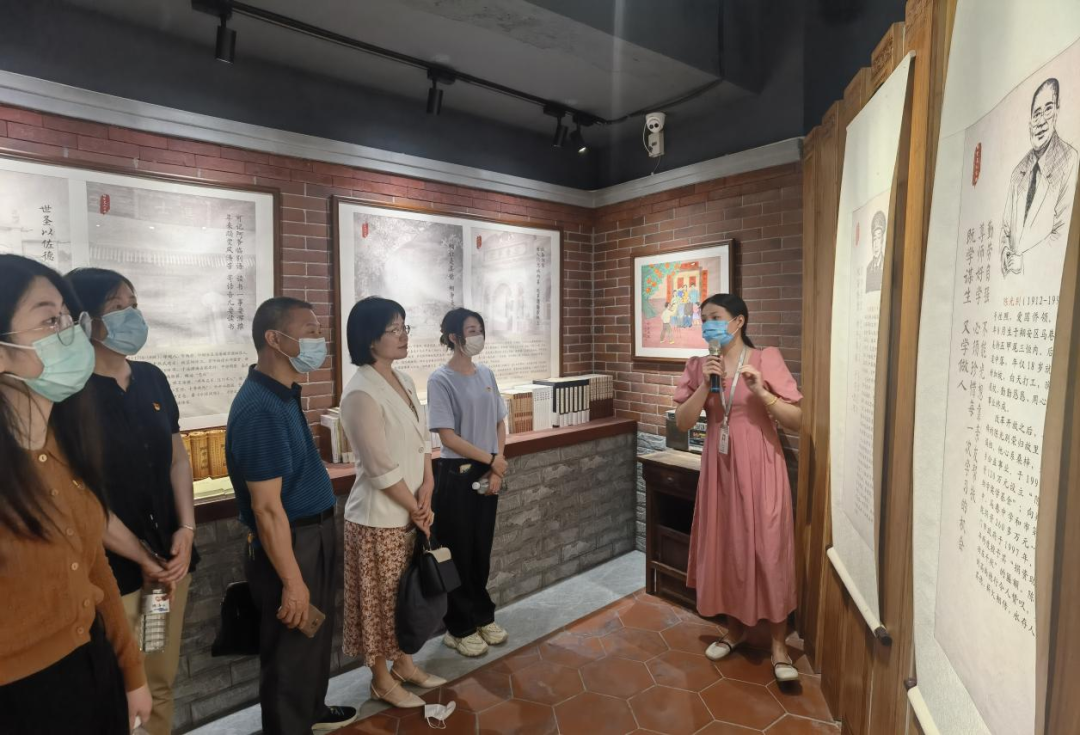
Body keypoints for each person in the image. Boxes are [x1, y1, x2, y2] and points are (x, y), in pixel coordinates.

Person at [0, 254, 151, 734]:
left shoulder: (61, 444)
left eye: (69, 317)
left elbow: (93, 567)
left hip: (92, 666)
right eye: (50, 320)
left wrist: (131, 671)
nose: (71, 333)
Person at [66, 267, 197, 735]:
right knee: (117, 689)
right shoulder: (69, 395)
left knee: (157, 678)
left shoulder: (152, 378)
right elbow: (81, 498)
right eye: (117, 306)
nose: (132, 316)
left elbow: (177, 460)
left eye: (134, 305)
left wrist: (186, 530)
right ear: (85, 320)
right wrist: (142, 558)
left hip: (164, 573)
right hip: (112, 574)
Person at [225, 296, 356, 735]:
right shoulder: (260, 408)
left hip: (313, 534)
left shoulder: (282, 395)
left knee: (310, 639)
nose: (320, 340)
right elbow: (266, 508)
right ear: (274, 339)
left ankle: (311, 710)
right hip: (291, 543)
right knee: (289, 648)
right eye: (310, 331)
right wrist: (293, 581)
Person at [673, 293, 803, 683]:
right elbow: (683, 422)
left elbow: (797, 419)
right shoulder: (698, 366)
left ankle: (779, 645)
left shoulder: (765, 359)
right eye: (703, 319)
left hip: (761, 467)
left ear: (739, 321)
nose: (708, 325)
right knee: (726, 545)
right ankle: (734, 630)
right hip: (720, 469)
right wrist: (705, 386)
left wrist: (763, 392)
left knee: (769, 548)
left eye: (715, 317)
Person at [339, 297, 445, 708]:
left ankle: (404, 664)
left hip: (411, 510)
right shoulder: (360, 392)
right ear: (370, 340)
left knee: (404, 597)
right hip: (378, 518)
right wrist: (416, 506)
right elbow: (378, 466)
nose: (403, 336)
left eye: (404, 327)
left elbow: (422, 440)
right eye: (394, 329)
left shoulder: (401, 379)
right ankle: (380, 679)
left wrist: (428, 484)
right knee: (380, 603)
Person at [427, 308, 510, 658]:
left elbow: (500, 422)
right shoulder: (440, 379)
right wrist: (491, 460)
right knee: (458, 552)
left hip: (489, 468)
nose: (477, 336)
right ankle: (458, 628)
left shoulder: (486, 373)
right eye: (470, 330)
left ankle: (482, 615)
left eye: (480, 329)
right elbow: (447, 437)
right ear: (453, 337)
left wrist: (497, 466)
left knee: (480, 550)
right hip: (457, 472)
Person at [1000, 77, 1079, 278]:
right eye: (1036, 114)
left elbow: (1064, 235)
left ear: (1057, 112)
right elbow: (1005, 230)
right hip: (1013, 286)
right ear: (1030, 124)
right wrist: (1005, 253)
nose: (1041, 121)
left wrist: (1024, 263)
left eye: (1048, 109)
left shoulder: (1069, 160)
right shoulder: (1018, 172)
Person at [865, 211, 886, 293]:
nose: (876, 244)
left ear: (882, 240)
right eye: (874, 239)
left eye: (879, 238)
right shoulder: (868, 268)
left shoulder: (885, 265)